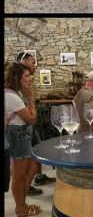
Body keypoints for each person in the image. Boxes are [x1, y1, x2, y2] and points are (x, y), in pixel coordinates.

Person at [5, 62, 42, 217]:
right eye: (26, 76)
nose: (29, 79)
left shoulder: (14, 93)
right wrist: (31, 98)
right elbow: (32, 119)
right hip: (18, 134)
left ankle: (23, 204)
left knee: (28, 168)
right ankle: (21, 208)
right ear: (17, 77)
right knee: (19, 174)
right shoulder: (12, 95)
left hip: (20, 133)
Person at [15, 52, 55, 192]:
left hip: (27, 121)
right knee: (28, 157)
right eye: (33, 62)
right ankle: (26, 187)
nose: (35, 65)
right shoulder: (17, 80)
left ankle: (39, 176)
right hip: (22, 123)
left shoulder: (24, 78)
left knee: (38, 149)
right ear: (24, 61)